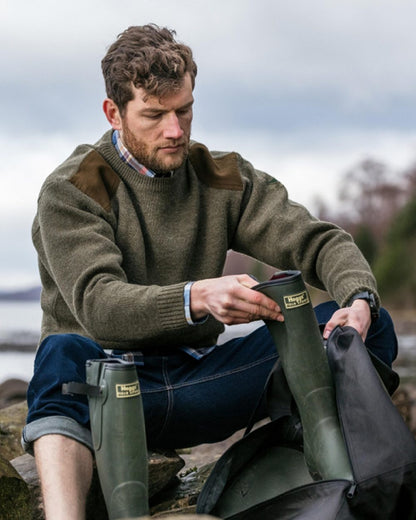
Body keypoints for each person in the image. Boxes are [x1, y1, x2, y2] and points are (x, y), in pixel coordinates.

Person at [23, 24, 398, 519]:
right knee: (60, 354)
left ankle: (299, 475)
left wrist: (358, 300)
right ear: (114, 112)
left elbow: (318, 239)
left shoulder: (219, 175)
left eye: (184, 110)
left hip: (202, 386)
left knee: (362, 328)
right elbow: (99, 304)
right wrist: (196, 296)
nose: (175, 130)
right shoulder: (73, 188)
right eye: (154, 115)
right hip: (108, 398)